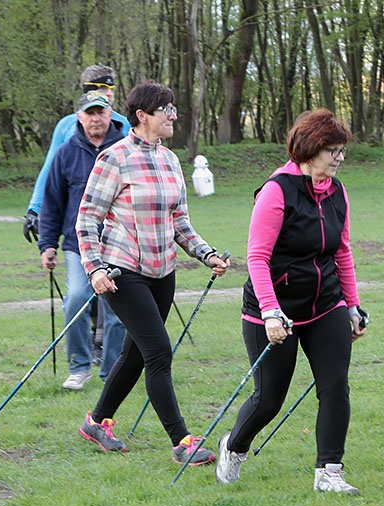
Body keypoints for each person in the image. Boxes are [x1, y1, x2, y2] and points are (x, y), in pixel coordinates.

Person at [214, 108, 368, 494]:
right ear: (309, 148)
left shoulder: (337, 192)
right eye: (332, 150)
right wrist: (270, 311)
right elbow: (257, 258)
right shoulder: (277, 190)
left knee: (335, 385)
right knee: (269, 399)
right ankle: (233, 447)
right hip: (273, 308)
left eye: (342, 150)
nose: (339, 158)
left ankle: (329, 471)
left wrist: (352, 304)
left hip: (325, 304)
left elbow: (342, 251)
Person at [75, 81, 230, 465]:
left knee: (135, 353)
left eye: (173, 108)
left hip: (164, 270)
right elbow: (86, 219)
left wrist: (206, 254)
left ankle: (96, 421)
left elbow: (180, 222)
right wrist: (94, 268)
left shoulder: (171, 160)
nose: (173, 115)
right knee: (158, 351)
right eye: (166, 110)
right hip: (122, 270)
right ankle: (181, 442)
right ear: (142, 116)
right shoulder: (114, 158)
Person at [37, 91, 127, 389]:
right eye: (90, 113)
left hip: (118, 243)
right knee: (76, 298)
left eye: (101, 112)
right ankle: (79, 366)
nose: (96, 118)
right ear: (79, 117)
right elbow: (52, 202)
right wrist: (47, 244)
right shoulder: (66, 152)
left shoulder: (126, 148)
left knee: (115, 309)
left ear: (110, 114)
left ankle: (112, 370)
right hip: (78, 244)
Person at [22, 64, 131, 243]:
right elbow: (49, 172)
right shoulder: (66, 126)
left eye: (111, 88)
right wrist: (33, 210)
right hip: (78, 228)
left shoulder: (126, 126)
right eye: (103, 88)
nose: (110, 93)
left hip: (117, 228)